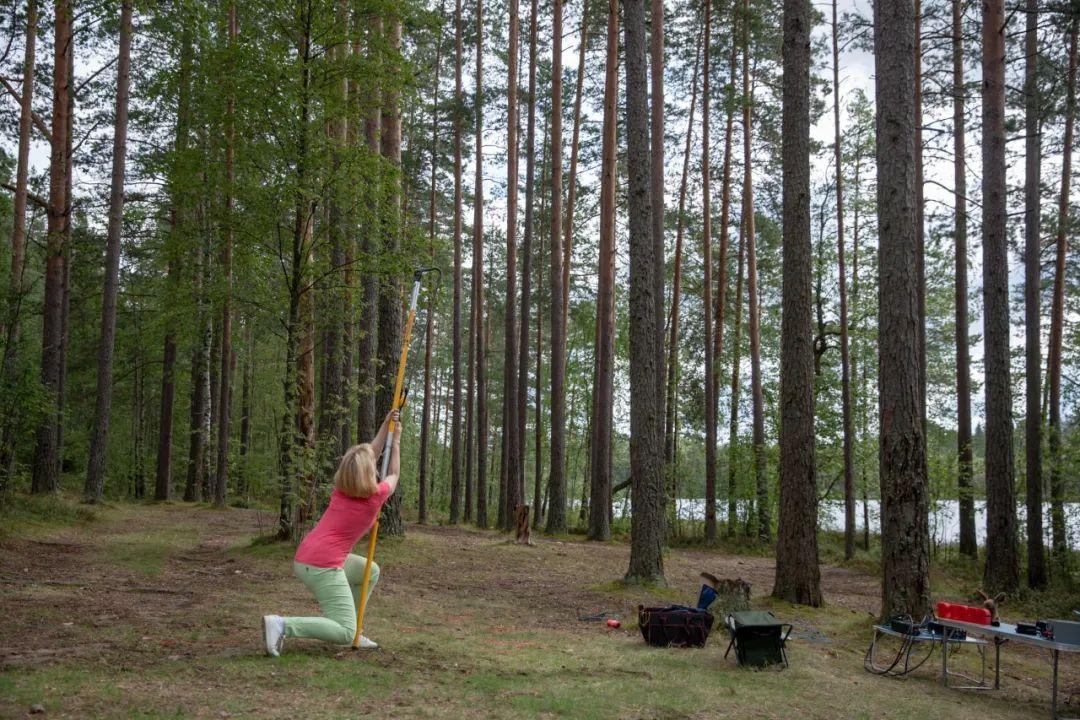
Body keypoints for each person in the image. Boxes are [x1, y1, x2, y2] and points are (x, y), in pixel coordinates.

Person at [262, 409, 401, 656]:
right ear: (368, 474)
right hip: (322, 564)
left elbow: (372, 452)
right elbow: (394, 474)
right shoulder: (375, 496)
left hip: (308, 556)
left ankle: (355, 629)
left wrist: (387, 423)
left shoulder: (341, 490)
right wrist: (396, 441)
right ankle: (283, 625)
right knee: (343, 632)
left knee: (370, 570)